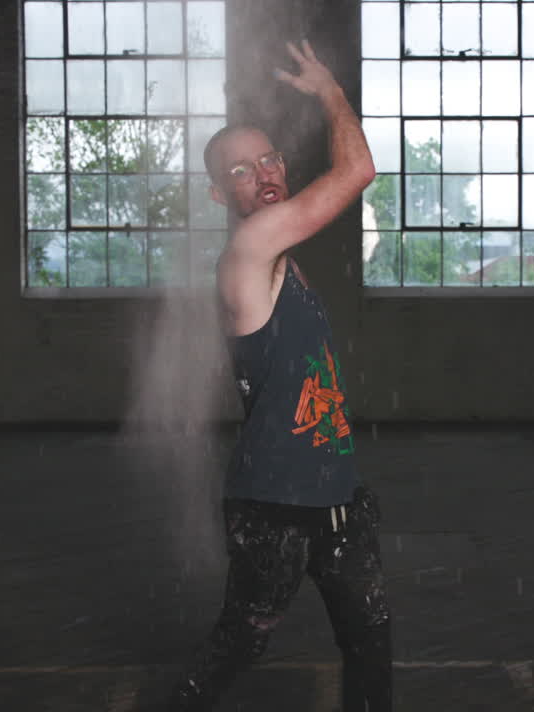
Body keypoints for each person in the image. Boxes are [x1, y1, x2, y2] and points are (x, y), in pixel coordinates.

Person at [167, 41, 392, 711]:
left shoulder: (282, 258)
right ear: (218, 192)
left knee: (370, 638)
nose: (263, 173)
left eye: (269, 158)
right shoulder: (250, 247)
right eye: (241, 169)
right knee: (241, 642)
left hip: (334, 499)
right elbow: (358, 171)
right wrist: (331, 94)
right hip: (275, 508)